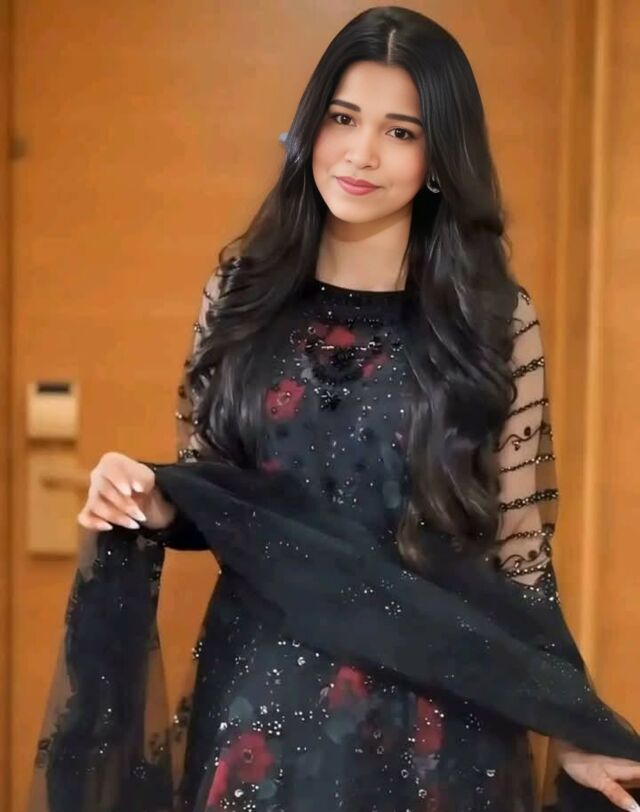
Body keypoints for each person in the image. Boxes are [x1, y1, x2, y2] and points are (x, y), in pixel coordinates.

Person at [27, 7, 640, 812]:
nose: (360, 153)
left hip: (438, 723)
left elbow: (520, 556)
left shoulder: (492, 318)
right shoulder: (241, 293)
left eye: (400, 132)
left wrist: (574, 720)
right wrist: (148, 494)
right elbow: (221, 494)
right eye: (343, 119)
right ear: (311, 126)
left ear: (439, 158)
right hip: (260, 708)